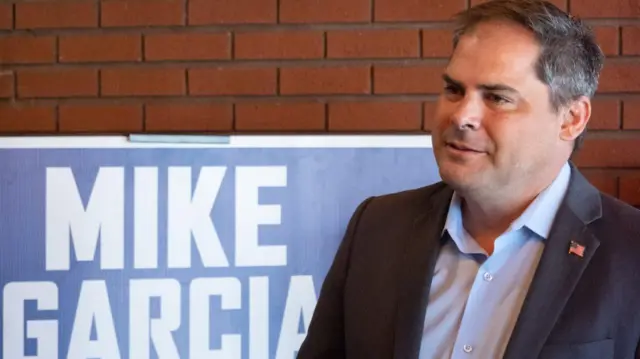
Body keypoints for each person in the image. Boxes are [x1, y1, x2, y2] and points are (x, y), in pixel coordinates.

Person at [296, 1, 640, 358]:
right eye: (454, 90)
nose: (462, 116)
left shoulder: (630, 253)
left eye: (497, 98)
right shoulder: (377, 228)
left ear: (571, 119)